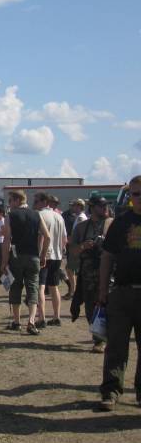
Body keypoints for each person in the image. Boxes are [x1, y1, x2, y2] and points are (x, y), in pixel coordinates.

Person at [97, 175, 141, 410]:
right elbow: (107, 256)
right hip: (123, 292)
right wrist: (103, 290)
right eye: (136, 194)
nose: (139, 198)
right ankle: (111, 391)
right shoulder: (122, 222)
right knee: (115, 346)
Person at [0, 189, 51, 335]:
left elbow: (7, 239)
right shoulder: (36, 214)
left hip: (17, 256)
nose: (9, 204)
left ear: (17, 200)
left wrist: (4, 262)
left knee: (15, 287)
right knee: (33, 288)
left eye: (10, 201)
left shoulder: (11, 215)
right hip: (33, 256)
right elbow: (47, 237)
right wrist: (43, 256)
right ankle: (31, 321)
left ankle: (16, 322)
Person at [71, 196, 114, 352]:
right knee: (91, 307)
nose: (105, 208)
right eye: (101, 205)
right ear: (92, 207)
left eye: (106, 205)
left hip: (111, 271)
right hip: (89, 272)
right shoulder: (81, 228)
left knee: (112, 306)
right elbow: (73, 251)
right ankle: (98, 340)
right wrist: (83, 246)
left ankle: (109, 338)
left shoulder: (112, 224)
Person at [34, 192, 67, 327]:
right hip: (57, 255)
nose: (34, 204)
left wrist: (40, 254)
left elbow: (40, 236)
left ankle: (41, 318)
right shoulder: (59, 216)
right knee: (54, 286)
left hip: (44, 254)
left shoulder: (40, 215)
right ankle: (56, 316)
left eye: (36, 201)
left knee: (40, 286)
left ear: (43, 202)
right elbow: (64, 238)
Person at [62, 199, 88, 301]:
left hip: (76, 247)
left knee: (70, 269)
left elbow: (81, 234)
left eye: (74, 206)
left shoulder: (81, 218)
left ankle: (74, 291)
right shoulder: (79, 217)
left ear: (79, 207)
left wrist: (71, 240)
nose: (72, 207)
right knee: (70, 270)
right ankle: (73, 290)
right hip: (75, 246)